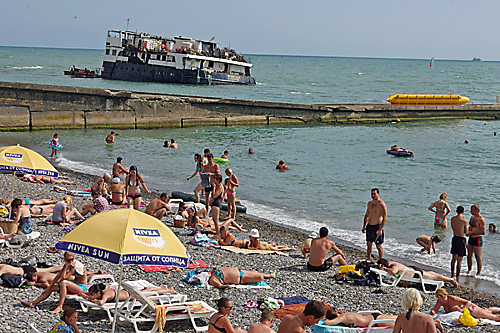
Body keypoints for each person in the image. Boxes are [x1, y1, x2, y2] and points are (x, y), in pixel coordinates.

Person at [21, 252, 88, 314]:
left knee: (64, 283)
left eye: (72, 259)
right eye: (68, 260)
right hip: (75, 284)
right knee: (52, 288)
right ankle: (32, 303)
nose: (70, 261)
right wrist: (49, 287)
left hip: (81, 287)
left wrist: (66, 267)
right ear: (65, 260)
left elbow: (63, 278)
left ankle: (60, 306)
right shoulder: (68, 264)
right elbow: (58, 276)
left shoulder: (76, 266)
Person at [377, 258, 458, 287]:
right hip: (412, 270)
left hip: (415, 274)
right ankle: (442, 276)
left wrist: (385, 269)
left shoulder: (394, 267)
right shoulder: (391, 262)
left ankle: (451, 280)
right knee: (430, 273)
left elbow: (393, 272)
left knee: (432, 277)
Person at [430, 288, 500, 321]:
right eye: (439, 298)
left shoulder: (453, 299)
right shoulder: (440, 301)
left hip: (471, 309)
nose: (442, 300)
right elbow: (435, 309)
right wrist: (433, 312)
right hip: (466, 311)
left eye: (443, 298)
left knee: (494, 318)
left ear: (446, 295)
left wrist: (461, 310)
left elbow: (468, 302)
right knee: (487, 311)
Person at [83, 282, 177, 306]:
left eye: (92, 294)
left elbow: (101, 303)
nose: (90, 295)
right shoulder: (104, 291)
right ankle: (162, 288)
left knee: (152, 293)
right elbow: (82, 293)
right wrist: (86, 295)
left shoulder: (105, 294)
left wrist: (93, 300)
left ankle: (169, 291)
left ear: (98, 293)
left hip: (132, 296)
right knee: (147, 290)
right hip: (129, 293)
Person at [362, 188, 387, 261]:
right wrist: (364, 226)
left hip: (377, 226)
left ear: (378, 194)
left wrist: (380, 229)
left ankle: (381, 260)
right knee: (369, 244)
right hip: (369, 226)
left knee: (378, 245)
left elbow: (385, 218)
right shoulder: (370, 203)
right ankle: (368, 258)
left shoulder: (381, 204)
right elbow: (366, 215)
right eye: (372, 194)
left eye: (374, 194)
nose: (373, 195)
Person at [208, 266, 276, 289]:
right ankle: (268, 276)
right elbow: (220, 285)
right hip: (241, 278)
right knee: (260, 277)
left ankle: (270, 275)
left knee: (255, 273)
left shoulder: (213, 271)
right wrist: (226, 286)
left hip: (240, 271)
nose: (207, 273)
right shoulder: (213, 280)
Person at [467, 204, 486, 275]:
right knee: (469, 255)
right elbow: (470, 226)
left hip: (477, 238)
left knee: (477, 256)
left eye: (472, 210)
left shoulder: (481, 219)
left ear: (476, 210)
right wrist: (467, 231)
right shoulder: (472, 217)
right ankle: (469, 270)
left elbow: (483, 232)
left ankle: (478, 273)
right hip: (470, 238)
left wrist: (472, 232)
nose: (470, 211)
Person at [324, 310, 396, 327]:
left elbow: (327, 323)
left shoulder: (342, 317)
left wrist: (327, 320)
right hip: (374, 316)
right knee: (400, 318)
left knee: (401, 324)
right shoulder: (345, 314)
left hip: (375, 322)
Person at [450, 206, 468, 279]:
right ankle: (457, 275)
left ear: (456, 211)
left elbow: (453, 228)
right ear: (463, 211)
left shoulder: (453, 219)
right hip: (461, 239)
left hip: (455, 238)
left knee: (453, 258)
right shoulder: (464, 221)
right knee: (459, 260)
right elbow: (466, 233)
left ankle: (452, 274)